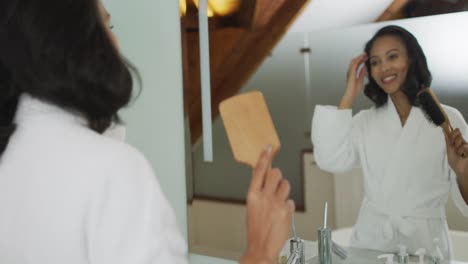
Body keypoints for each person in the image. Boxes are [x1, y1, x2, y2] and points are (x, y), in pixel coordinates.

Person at [0, 0, 294, 263]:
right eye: (107, 24)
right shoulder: (112, 170)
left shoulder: (12, 161)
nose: (116, 42)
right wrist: (260, 252)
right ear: (79, 42)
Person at [311, 25, 468, 258]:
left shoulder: (449, 120)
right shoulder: (365, 122)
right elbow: (330, 159)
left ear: (412, 59)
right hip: (372, 241)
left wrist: (463, 171)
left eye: (392, 56)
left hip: (425, 244)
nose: (384, 67)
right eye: (375, 62)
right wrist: (348, 95)